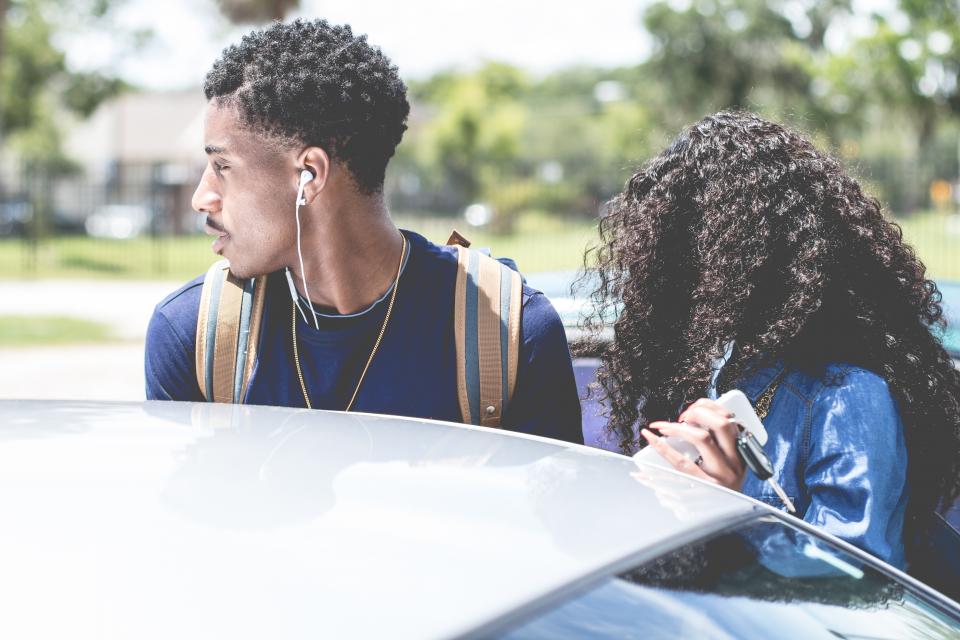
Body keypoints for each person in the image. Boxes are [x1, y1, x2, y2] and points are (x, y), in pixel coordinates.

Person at [145, 19, 581, 445]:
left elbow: (557, 515)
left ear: (309, 175)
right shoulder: (193, 335)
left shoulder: (511, 334)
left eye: (222, 167)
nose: (201, 198)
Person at [583, 111, 960, 574]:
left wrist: (732, 507)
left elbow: (859, 575)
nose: (680, 280)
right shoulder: (731, 367)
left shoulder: (850, 396)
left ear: (753, 250)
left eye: (697, 250)